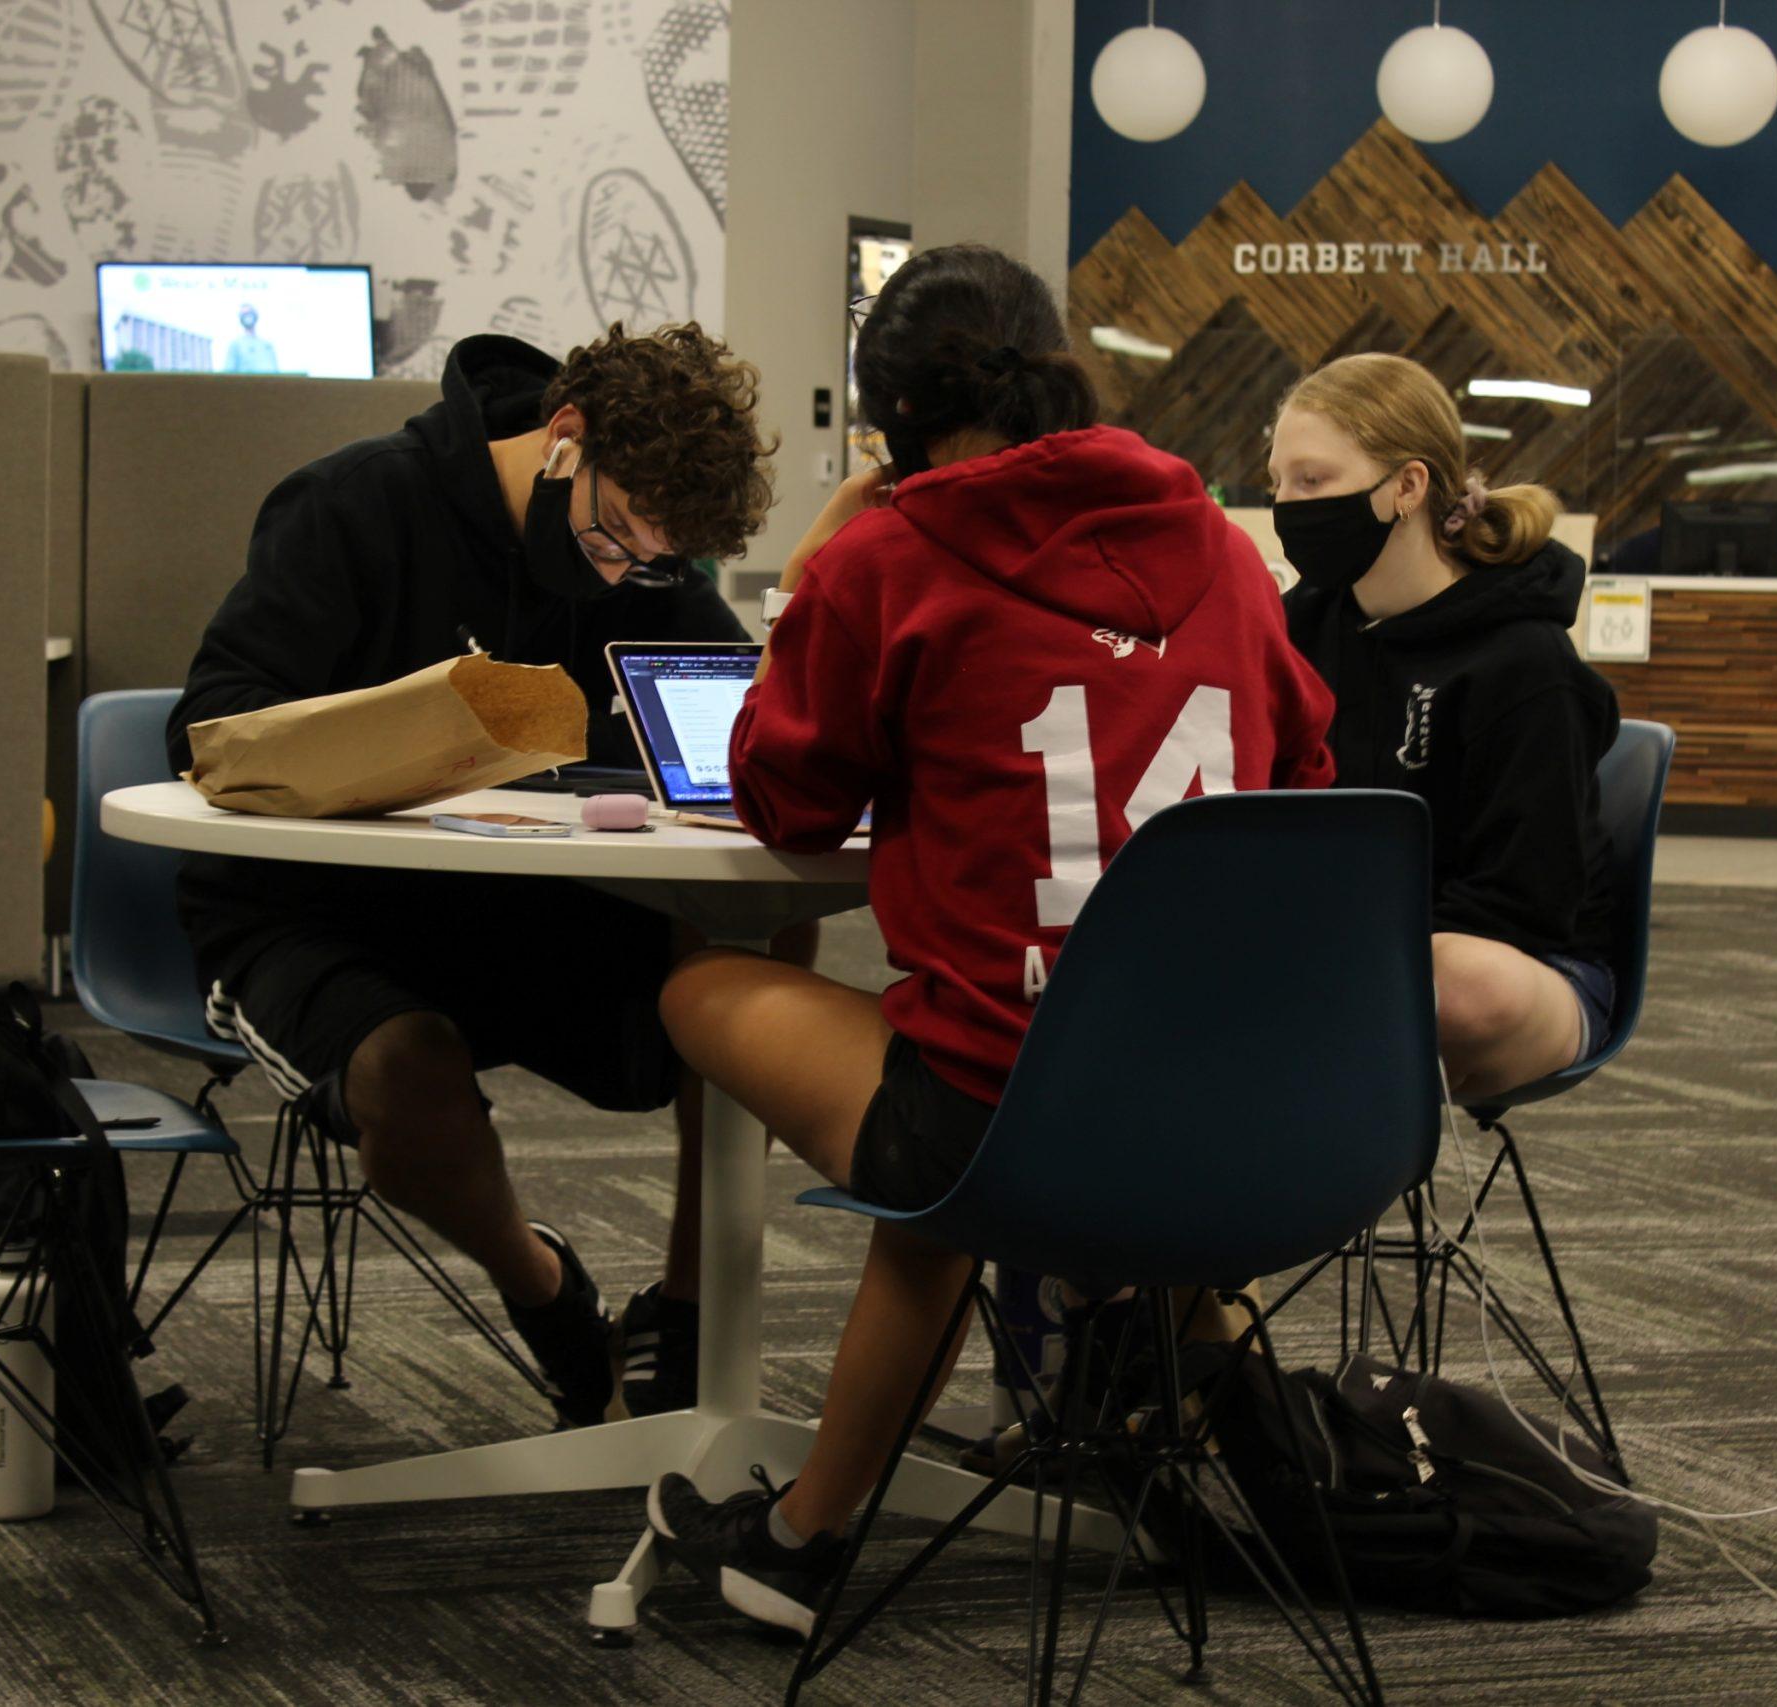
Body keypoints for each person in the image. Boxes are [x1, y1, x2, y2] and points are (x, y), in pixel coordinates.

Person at [639, 245, 1336, 1634]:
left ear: (886, 409)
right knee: (989, 1083)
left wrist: (826, 565)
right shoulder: (1223, 549)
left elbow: (784, 793)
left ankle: (781, 1500)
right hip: (1235, 1107)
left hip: (1002, 1120)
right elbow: (1308, 781)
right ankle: (1145, 1413)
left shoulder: (889, 559)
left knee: (718, 985)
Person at [166, 323, 776, 1427]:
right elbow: (211, 728)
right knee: (407, 1069)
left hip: (518, 904)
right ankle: (545, 1296)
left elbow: (735, 718)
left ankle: (686, 1314)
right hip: (310, 909)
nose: (629, 572)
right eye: (614, 538)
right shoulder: (352, 506)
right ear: (562, 439)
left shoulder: (644, 562)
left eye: (660, 560)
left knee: (751, 939)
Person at [1267, 352, 1619, 1102]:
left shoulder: (1525, 660)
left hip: (1522, 967)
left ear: (1407, 486)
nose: (1287, 504)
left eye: (1312, 480)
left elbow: (1530, 898)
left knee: (1451, 980)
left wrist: (1347, 948)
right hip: (1348, 952)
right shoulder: (1296, 629)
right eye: (1278, 482)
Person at [223, 303, 281, 374]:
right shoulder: (236, 345)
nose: (248, 317)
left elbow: (275, 370)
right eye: (244, 315)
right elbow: (228, 372)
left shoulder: (267, 345)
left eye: (249, 313)